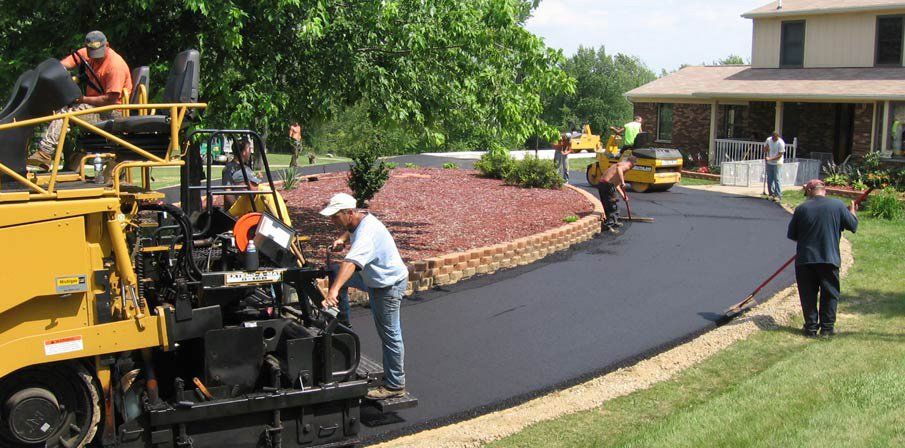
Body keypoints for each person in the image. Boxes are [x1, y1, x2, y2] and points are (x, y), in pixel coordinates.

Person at [320, 193, 409, 399]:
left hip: (387, 285)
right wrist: (342, 238)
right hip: (373, 277)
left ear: (349, 212)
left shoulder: (366, 233)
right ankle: (343, 323)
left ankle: (395, 385)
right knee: (335, 272)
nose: (332, 220)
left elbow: (350, 263)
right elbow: (351, 230)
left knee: (389, 334)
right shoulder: (359, 219)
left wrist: (333, 291)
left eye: (335, 216)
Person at [28, 31, 132, 170]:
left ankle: (45, 152)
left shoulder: (115, 66)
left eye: (99, 53)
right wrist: (54, 75)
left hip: (112, 112)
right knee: (58, 111)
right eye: (92, 53)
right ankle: (70, 161)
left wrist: (82, 99)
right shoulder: (86, 53)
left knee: (65, 114)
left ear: (107, 45)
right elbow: (63, 65)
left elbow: (110, 100)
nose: (96, 58)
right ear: (87, 47)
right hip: (94, 107)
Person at [787, 179, 858, 337]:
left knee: (808, 295)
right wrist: (852, 212)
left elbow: (792, 235)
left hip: (805, 259)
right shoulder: (837, 205)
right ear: (823, 190)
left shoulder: (801, 209)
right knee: (830, 293)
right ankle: (827, 329)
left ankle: (811, 328)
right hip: (828, 258)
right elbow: (852, 225)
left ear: (811, 191)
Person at [226, 167, 292, 227]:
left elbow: (278, 223)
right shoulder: (245, 198)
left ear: (247, 183)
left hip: (281, 233)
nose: (236, 189)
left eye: (237, 185)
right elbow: (228, 215)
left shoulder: (267, 194)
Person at [596, 156, 636, 233]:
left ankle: (613, 222)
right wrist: (623, 181)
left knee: (607, 205)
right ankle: (609, 226)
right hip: (607, 185)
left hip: (602, 184)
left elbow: (616, 184)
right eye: (634, 165)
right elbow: (619, 169)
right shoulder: (626, 166)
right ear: (633, 163)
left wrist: (623, 195)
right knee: (613, 206)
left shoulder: (618, 164)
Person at [222, 139, 254, 210]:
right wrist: (237, 210)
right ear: (244, 152)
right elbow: (228, 193)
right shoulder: (229, 169)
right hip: (239, 212)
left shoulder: (247, 169)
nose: (250, 152)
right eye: (249, 149)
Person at [763, 131, 786, 202]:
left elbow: (780, 155)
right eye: (772, 138)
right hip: (769, 163)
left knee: (777, 179)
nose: (773, 139)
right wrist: (766, 149)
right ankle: (771, 194)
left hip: (777, 163)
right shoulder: (769, 140)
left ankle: (778, 195)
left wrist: (770, 158)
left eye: (775, 138)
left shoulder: (781, 143)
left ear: (777, 137)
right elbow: (765, 149)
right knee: (770, 179)